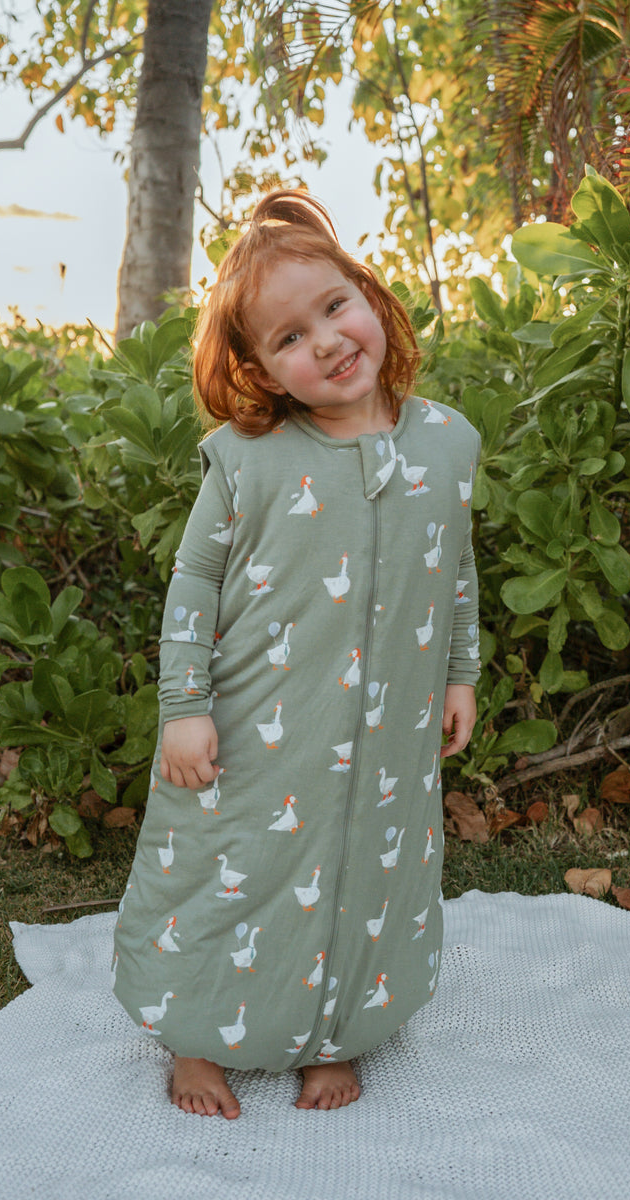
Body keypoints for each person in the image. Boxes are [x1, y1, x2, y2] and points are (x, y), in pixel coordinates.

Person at [111, 189, 482, 1120]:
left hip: (387, 739)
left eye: (333, 307)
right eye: (288, 338)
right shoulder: (251, 460)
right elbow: (194, 582)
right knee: (229, 872)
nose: (325, 341)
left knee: (369, 870)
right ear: (263, 372)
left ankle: (335, 1034)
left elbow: (456, 566)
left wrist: (460, 673)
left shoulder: (447, 443)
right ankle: (198, 1039)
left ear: (369, 295)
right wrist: (183, 707)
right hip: (259, 730)